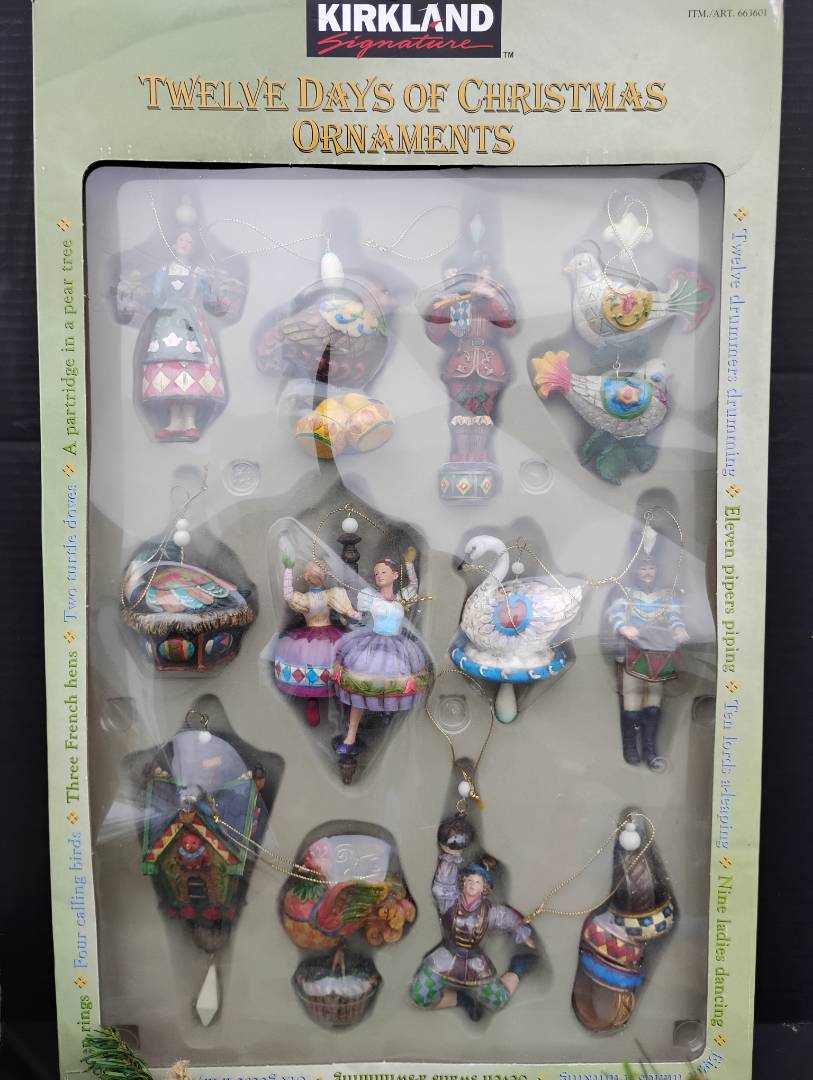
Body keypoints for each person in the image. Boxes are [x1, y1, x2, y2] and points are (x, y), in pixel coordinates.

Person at [118, 229, 241, 441]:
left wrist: (223, 292)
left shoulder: (199, 272)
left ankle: (190, 421)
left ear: (194, 247)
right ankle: (174, 421)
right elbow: (155, 296)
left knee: (192, 366)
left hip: (191, 323)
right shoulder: (163, 271)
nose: (185, 243)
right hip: (166, 324)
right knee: (170, 368)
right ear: (173, 244)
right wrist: (134, 293)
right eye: (181, 239)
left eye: (189, 241)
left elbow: (210, 299)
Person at [410, 818, 537, 1022]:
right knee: (420, 995)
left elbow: (506, 918)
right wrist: (451, 854)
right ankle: (462, 1000)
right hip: (446, 957)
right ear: (462, 882)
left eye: (477, 882)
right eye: (469, 880)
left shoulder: (489, 912)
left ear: (484, 888)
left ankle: (517, 969)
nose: (472, 885)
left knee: (497, 1000)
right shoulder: (450, 901)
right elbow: (442, 886)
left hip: (475, 964)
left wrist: (522, 931)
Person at [332, 548, 430, 756]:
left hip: (397, 647)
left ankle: (386, 710)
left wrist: (409, 564)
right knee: (361, 686)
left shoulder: (401, 598)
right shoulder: (370, 597)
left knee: (395, 678)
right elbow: (357, 613)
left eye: (383, 572)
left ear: (394, 575)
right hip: (372, 644)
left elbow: (414, 585)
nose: (379, 576)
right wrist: (347, 613)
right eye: (376, 573)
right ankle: (351, 736)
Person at [608, 555, 690, 768]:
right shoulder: (624, 591)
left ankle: (650, 749)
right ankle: (630, 746)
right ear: (636, 570)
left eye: (651, 567)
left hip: (658, 652)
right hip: (632, 653)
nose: (647, 572)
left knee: (653, 701)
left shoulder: (667, 593)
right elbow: (615, 614)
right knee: (632, 699)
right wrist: (623, 627)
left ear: (657, 569)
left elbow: (674, 616)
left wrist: (679, 629)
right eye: (643, 568)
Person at [269, 554, 358, 728]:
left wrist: (288, 569)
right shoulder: (330, 595)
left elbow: (288, 595)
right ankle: (336, 701)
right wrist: (358, 616)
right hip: (329, 636)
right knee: (335, 665)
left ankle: (316, 699)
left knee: (314, 664)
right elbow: (348, 611)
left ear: (306, 577)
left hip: (310, 637)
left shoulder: (308, 599)